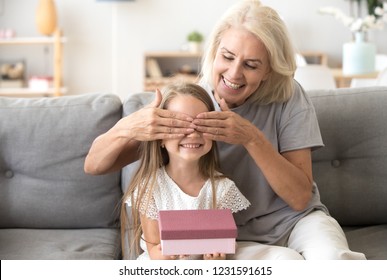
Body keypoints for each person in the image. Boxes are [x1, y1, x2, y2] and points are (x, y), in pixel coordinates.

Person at [85, 0, 366, 260]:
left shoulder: (289, 97)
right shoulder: (193, 101)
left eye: (251, 65)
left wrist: (251, 137)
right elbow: (94, 165)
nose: (233, 74)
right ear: (214, 51)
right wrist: (127, 127)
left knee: (334, 260)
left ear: (269, 70)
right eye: (227, 57)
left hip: (294, 223)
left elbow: (299, 197)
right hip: (223, 234)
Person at [121, 82, 250, 260]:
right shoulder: (150, 188)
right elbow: (154, 251)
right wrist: (165, 257)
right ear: (160, 137)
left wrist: (216, 258)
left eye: (201, 125)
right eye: (180, 125)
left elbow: (223, 244)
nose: (192, 133)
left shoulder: (222, 188)